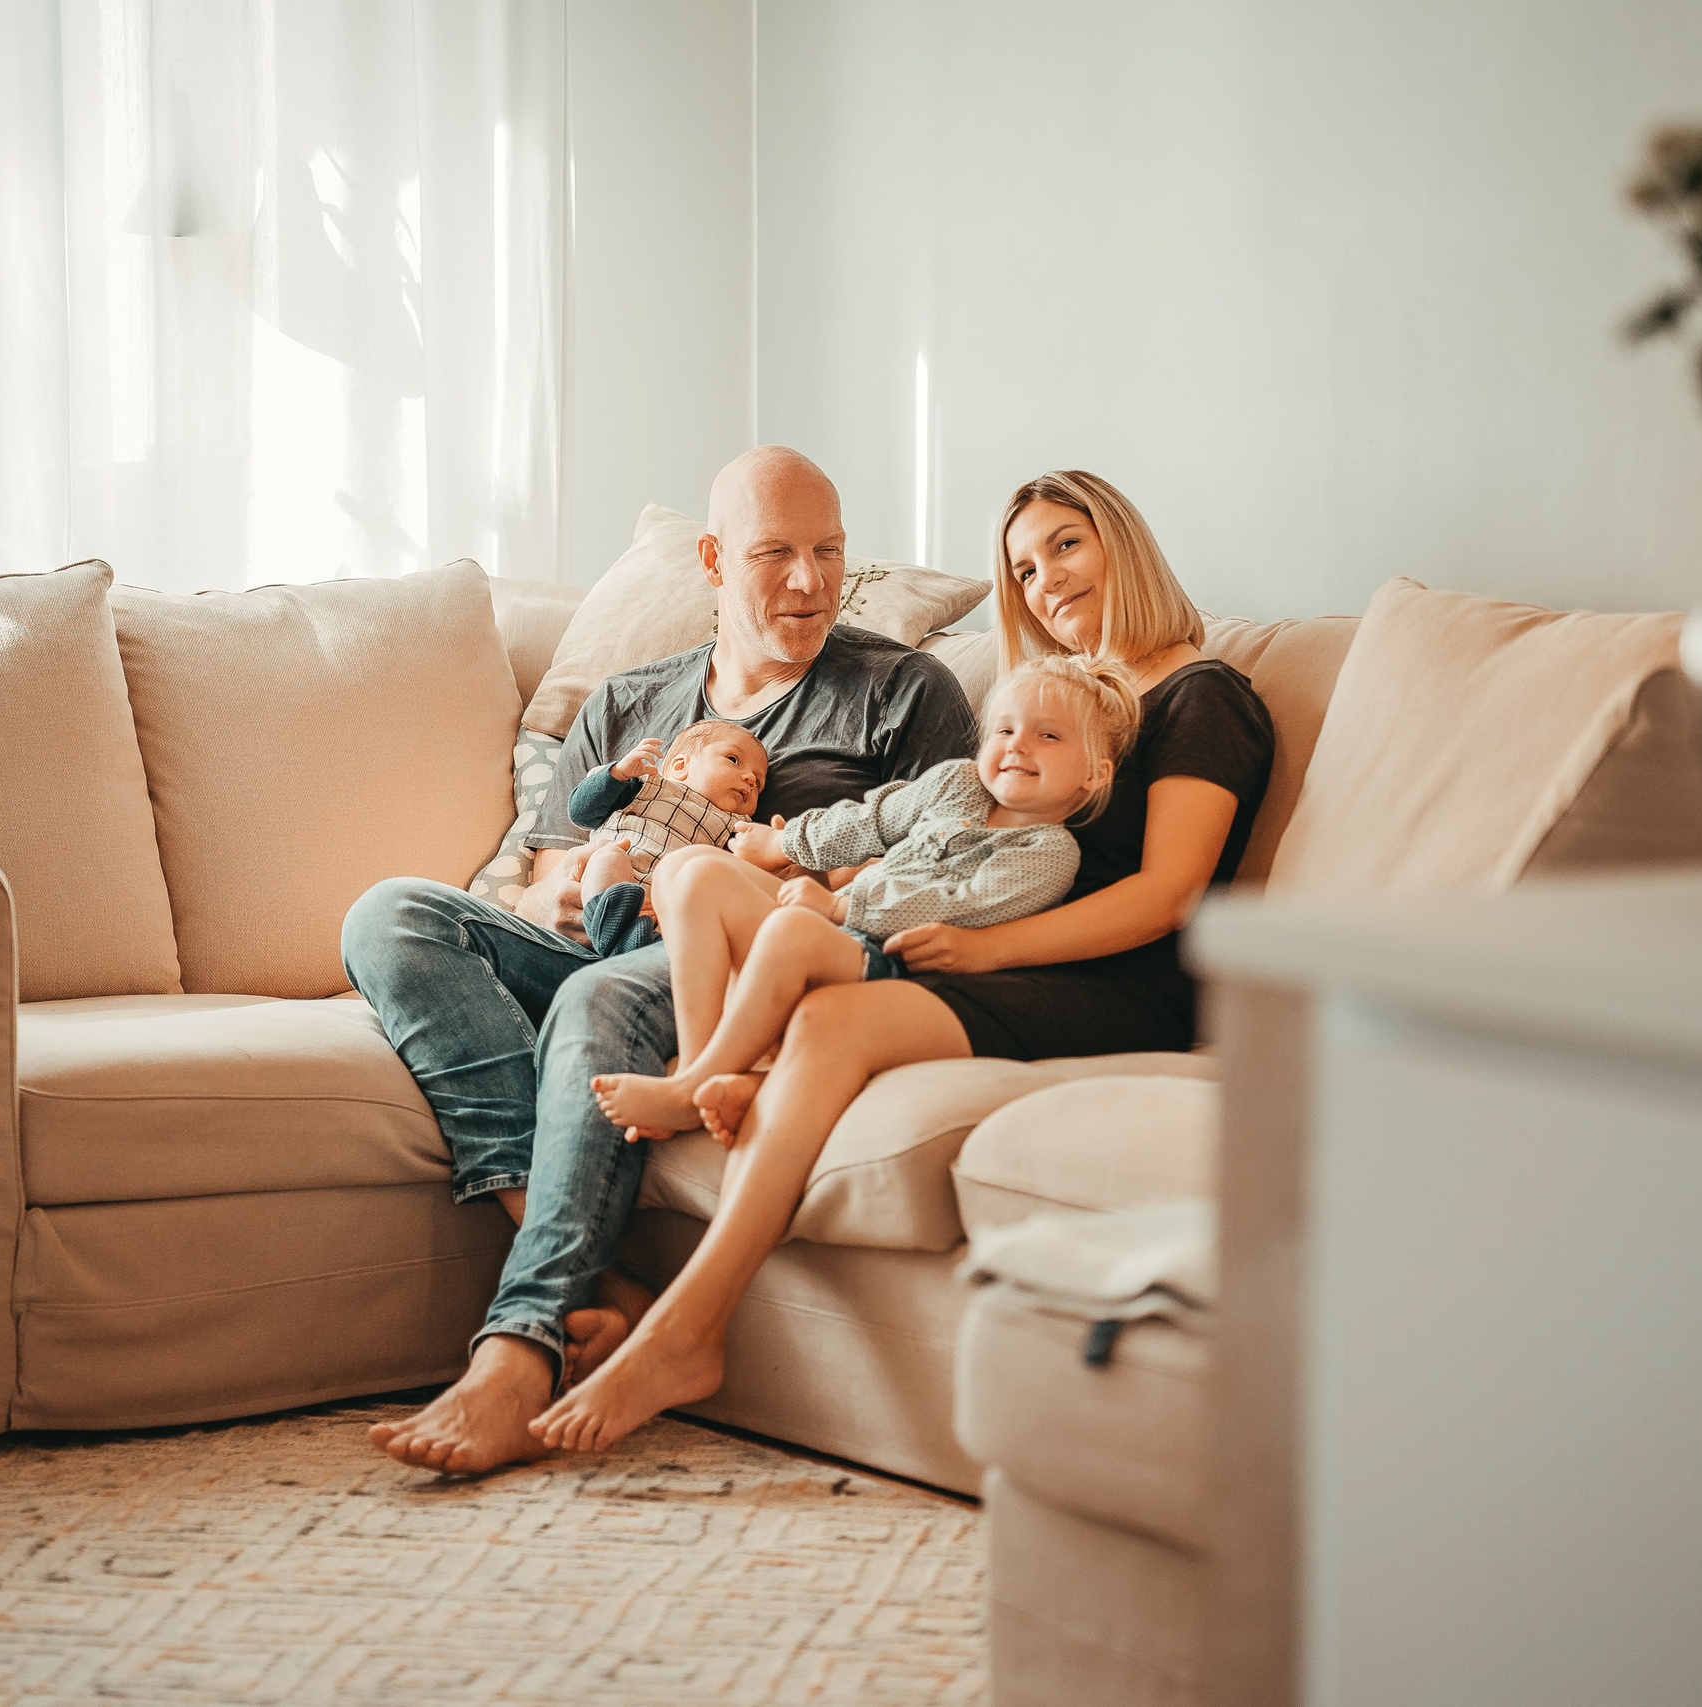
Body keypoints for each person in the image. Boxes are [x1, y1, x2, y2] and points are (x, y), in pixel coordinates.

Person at [522, 469, 1276, 1454]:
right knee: (753, 929)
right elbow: (902, 824)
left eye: (1065, 545)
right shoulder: (1046, 708)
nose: (1045, 579)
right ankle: (697, 1220)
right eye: (1021, 566)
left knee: (830, 1011)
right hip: (987, 944)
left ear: (1120, 543)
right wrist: (792, 858)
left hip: (1111, 983)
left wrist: (986, 947)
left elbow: (1165, 894)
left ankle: (681, 1327)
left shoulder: (1199, 696)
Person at [340, 445, 978, 1474]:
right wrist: (573, 885)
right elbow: (549, 883)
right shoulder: (629, 705)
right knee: (392, 914)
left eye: (829, 553)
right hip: (609, 938)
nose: (810, 582)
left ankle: (520, 1344)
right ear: (716, 561)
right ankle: (594, 1282)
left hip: (746, 966)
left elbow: (919, 884)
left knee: (595, 997)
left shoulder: (902, 694)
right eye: (777, 554)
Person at [582, 653, 1141, 1146]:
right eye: (1005, 730)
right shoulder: (958, 784)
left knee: (793, 929)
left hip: (897, 968)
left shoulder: (1049, 850)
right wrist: (782, 841)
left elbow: (959, 904)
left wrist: (841, 907)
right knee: (687, 868)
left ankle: (692, 1087)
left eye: (1048, 735)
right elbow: (868, 821)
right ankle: (704, 1063)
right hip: (840, 931)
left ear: (1095, 773)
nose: (1017, 745)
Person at [565, 719, 768, 959]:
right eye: (733, 760)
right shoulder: (643, 786)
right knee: (609, 856)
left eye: (759, 782)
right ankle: (615, 930)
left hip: (662, 910)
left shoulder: (736, 827)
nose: (750, 779)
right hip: (615, 881)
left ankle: (640, 941)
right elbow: (581, 814)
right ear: (681, 766)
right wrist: (618, 774)